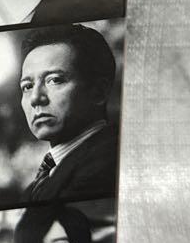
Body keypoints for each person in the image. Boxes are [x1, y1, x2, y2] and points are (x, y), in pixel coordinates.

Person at [18, 24, 119, 204]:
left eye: (55, 80)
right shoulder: (36, 188)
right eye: (27, 86)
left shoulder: (107, 168)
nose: (35, 98)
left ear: (99, 92)